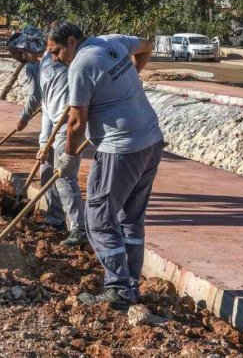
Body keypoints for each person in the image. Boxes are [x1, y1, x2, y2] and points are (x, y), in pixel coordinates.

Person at [46, 20, 163, 310]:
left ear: (72, 41)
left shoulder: (80, 66)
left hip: (120, 148)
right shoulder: (112, 41)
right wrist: (132, 75)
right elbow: (147, 45)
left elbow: (76, 122)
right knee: (131, 219)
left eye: (57, 50)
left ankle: (119, 290)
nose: (54, 57)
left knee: (98, 219)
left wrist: (68, 158)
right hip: (150, 139)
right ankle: (131, 283)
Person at [7, 26, 86, 247]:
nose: (21, 57)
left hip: (67, 127)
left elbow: (62, 107)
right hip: (54, 126)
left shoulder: (55, 66)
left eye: (21, 52)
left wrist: (51, 136)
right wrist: (44, 143)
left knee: (64, 176)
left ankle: (79, 228)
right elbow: (47, 108)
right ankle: (55, 220)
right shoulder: (42, 67)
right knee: (47, 172)